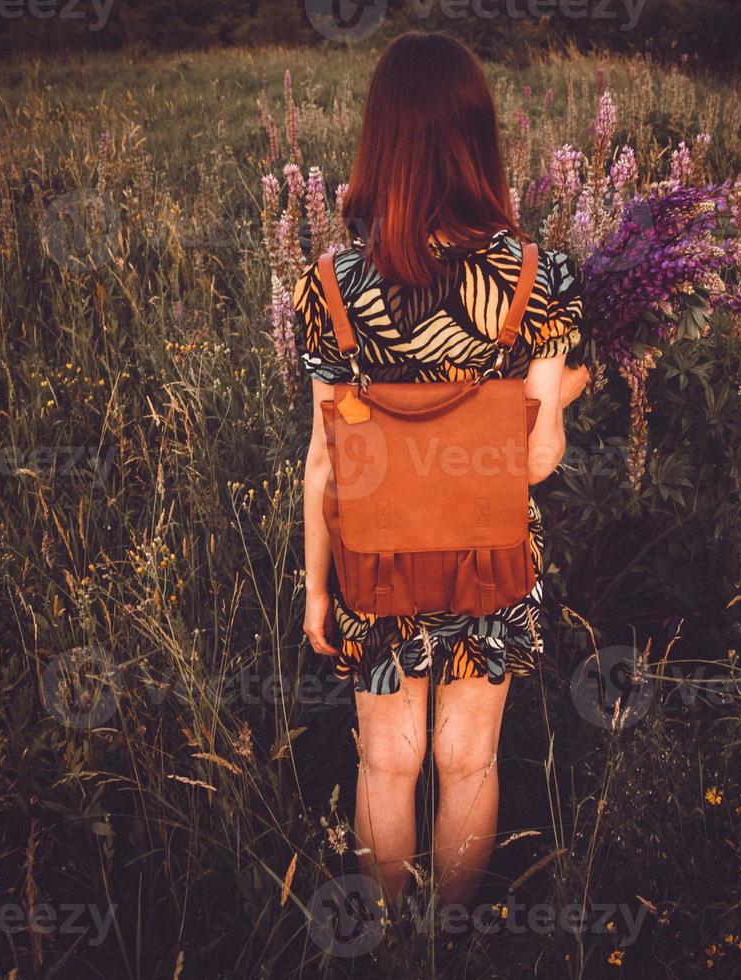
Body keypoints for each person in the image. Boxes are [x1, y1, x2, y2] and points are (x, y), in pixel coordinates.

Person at [292, 30, 589, 913]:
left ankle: (385, 945)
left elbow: (324, 459)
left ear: (379, 142)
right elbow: (533, 461)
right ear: (479, 141)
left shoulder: (332, 283)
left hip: (373, 564)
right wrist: (564, 392)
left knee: (386, 760)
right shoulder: (540, 280)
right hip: (486, 563)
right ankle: (451, 946)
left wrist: (316, 594)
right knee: (471, 759)